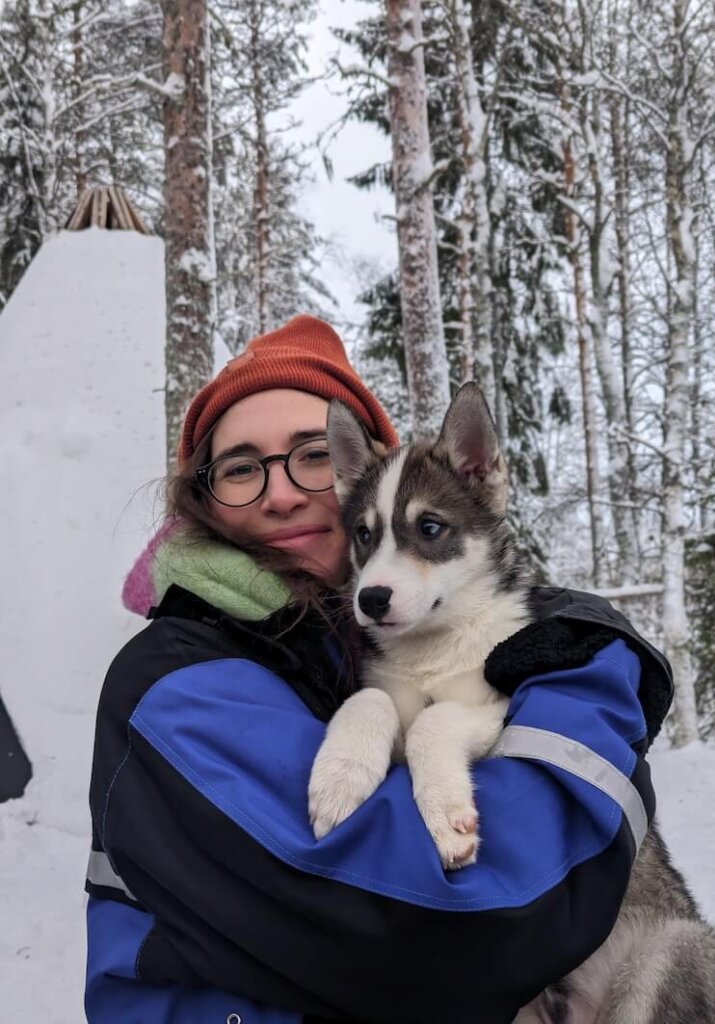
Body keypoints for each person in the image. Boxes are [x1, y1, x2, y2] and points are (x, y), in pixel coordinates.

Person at [85, 315, 672, 1024]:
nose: (280, 493)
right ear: (203, 501)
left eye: (309, 455)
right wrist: (589, 702)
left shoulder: (349, 640)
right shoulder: (175, 676)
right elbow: (476, 921)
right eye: (240, 468)